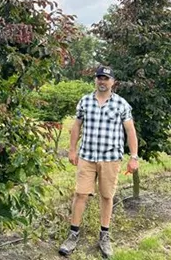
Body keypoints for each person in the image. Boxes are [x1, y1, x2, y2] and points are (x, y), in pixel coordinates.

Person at [59, 66, 139, 258]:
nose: (102, 81)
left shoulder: (121, 104)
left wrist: (134, 157)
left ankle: (104, 236)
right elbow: (76, 126)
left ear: (113, 82)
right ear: (95, 80)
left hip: (110, 159)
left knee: (106, 196)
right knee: (80, 194)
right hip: (87, 157)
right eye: (99, 78)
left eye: (106, 78)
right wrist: (72, 149)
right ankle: (72, 235)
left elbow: (130, 132)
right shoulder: (85, 101)